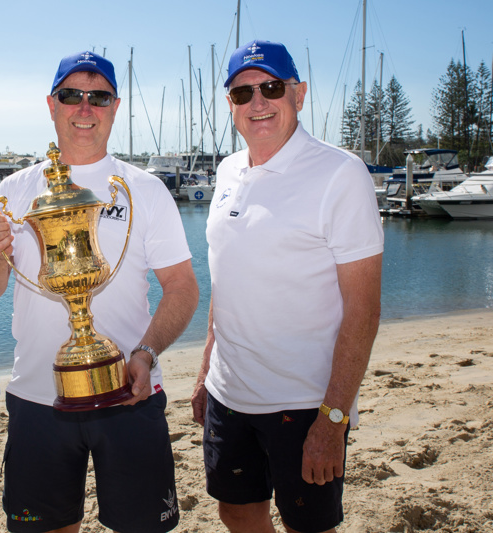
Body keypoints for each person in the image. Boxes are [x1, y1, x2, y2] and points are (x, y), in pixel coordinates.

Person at [0, 51, 199, 533]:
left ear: (116, 108)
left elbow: (181, 288)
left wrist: (146, 354)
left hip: (128, 391)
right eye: (72, 95)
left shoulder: (144, 189)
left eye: (100, 97)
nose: (85, 107)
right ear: (52, 105)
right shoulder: (13, 191)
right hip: (37, 398)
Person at [191, 40, 384, 533]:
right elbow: (226, 278)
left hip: (304, 403)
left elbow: (363, 309)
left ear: (298, 93)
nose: (257, 102)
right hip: (228, 393)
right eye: (243, 93)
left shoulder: (340, 173)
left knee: (307, 526)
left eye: (272, 88)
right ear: (230, 104)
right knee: (236, 511)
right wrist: (205, 372)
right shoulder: (228, 170)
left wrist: (334, 417)